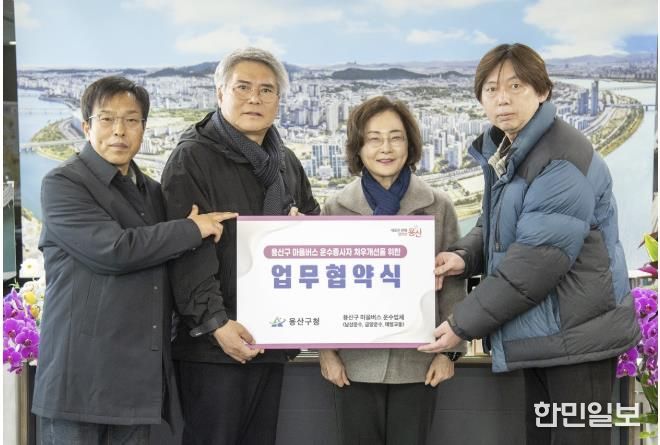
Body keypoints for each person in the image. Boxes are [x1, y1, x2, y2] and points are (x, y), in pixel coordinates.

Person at [419, 43, 641, 445]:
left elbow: (536, 263)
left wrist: (460, 324)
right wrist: (463, 257)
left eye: (515, 86)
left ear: (542, 91)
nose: (502, 99)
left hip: (579, 340)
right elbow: (497, 227)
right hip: (548, 334)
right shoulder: (514, 149)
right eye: (491, 89)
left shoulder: (560, 159)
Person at [32, 76, 235, 445]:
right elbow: (115, 250)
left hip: (135, 385)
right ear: (87, 126)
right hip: (78, 380)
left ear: (143, 127)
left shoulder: (152, 193)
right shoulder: (63, 184)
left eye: (131, 120)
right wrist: (191, 229)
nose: (119, 131)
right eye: (107, 119)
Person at [160, 47, 320, 445]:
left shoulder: (284, 162)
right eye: (243, 87)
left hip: (270, 335)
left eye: (266, 90)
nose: (255, 99)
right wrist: (216, 323)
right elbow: (186, 252)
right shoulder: (192, 157)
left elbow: (313, 221)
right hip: (213, 345)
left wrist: (304, 229)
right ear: (220, 94)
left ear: (279, 100)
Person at [319, 96, 466, 445]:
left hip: (419, 364)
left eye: (396, 137)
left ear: (410, 145)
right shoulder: (336, 208)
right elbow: (323, 291)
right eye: (373, 139)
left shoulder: (438, 205)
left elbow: (453, 287)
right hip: (353, 365)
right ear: (358, 147)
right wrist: (326, 352)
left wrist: (448, 352)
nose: (385, 148)